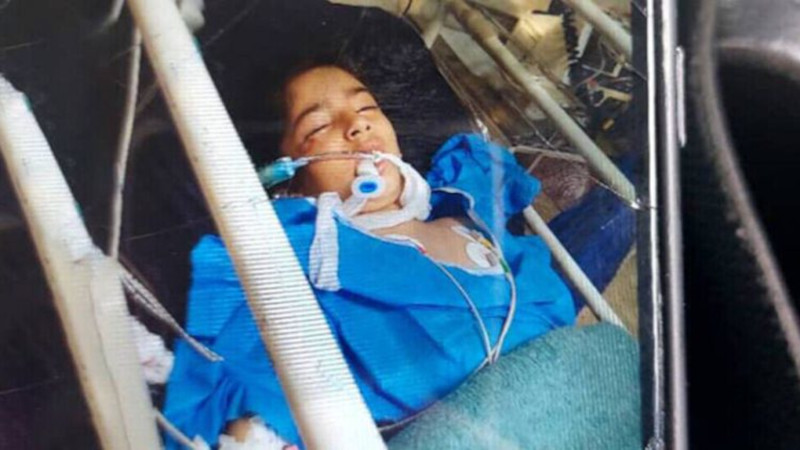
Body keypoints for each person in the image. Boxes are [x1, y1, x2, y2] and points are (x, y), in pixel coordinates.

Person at [162, 64, 577, 449]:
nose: (357, 125)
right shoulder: (312, 261)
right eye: (318, 126)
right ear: (286, 173)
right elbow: (252, 400)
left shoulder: (470, 202)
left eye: (367, 108)